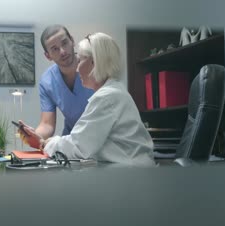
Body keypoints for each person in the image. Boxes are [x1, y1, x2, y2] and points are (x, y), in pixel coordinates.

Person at [20, 33, 155, 166]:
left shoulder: (106, 97)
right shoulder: (113, 91)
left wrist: (44, 144)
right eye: (54, 48)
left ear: (94, 62)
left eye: (80, 61)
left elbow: (79, 146)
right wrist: (42, 140)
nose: (77, 69)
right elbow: (79, 140)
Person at [21, 25, 94, 141]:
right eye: (55, 49)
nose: (63, 52)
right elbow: (47, 124)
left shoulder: (93, 66)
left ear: (72, 41)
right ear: (47, 56)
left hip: (100, 136)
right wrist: (34, 135)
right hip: (72, 139)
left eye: (65, 43)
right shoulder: (47, 81)